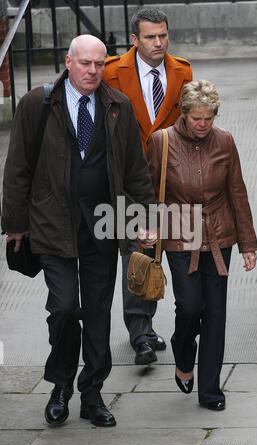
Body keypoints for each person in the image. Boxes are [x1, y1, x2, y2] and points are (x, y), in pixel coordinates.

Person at [1, 35, 157, 427]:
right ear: (68, 62)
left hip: (104, 225)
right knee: (66, 307)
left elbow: (137, 172)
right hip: (52, 224)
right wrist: (15, 225)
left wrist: (145, 220)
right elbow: (16, 169)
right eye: (85, 63)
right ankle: (60, 385)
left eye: (99, 64)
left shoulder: (118, 106)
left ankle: (92, 393)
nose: (92, 71)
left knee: (100, 313)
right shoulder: (38, 104)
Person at [147, 80, 257, 411]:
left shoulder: (224, 141)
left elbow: (237, 190)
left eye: (209, 118)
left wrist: (247, 244)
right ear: (185, 113)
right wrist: (144, 229)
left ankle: (210, 390)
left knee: (216, 313)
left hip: (220, 234)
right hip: (181, 235)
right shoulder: (161, 141)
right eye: (197, 118)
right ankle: (184, 351)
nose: (203, 124)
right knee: (190, 306)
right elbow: (148, 189)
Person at [103, 8, 193, 365]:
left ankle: (155, 327)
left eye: (163, 35)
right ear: (134, 40)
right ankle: (140, 332)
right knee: (137, 253)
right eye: (151, 37)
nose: (159, 43)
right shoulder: (111, 72)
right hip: (128, 181)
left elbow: (185, 126)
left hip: (170, 181)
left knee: (175, 253)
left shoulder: (182, 70)